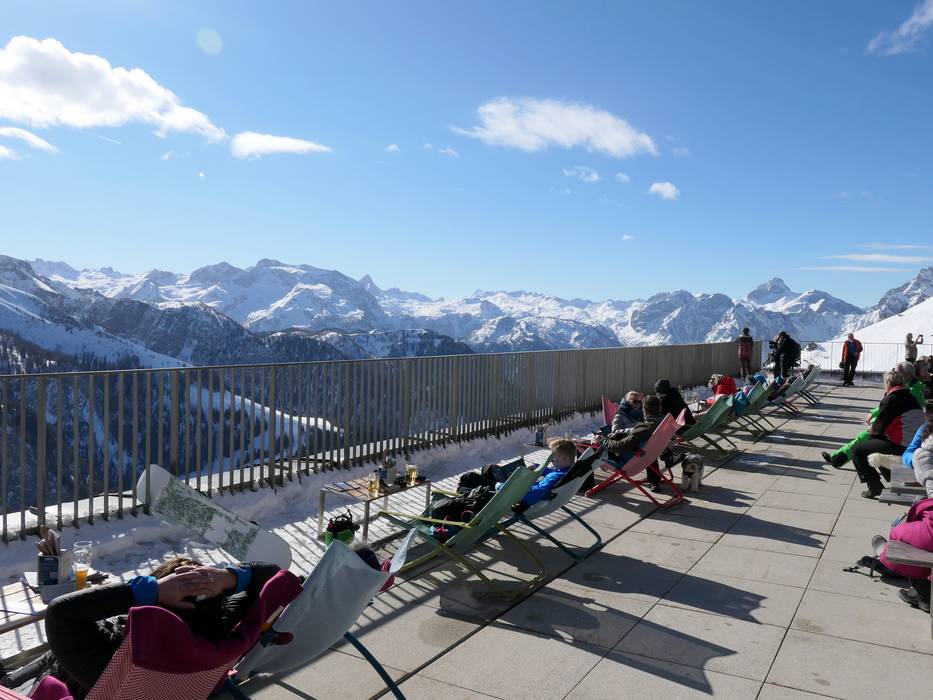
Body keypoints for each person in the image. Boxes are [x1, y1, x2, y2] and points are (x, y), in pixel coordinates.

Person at [41, 558, 280, 698]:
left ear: (152, 604)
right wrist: (227, 577)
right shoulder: (219, 636)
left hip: (63, 681)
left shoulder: (113, 657)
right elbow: (274, 575)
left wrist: (152, 589)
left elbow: (59, 613)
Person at [850, 371, 924, 499]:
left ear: (888, 383)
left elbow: (879, 428)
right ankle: (893, 477)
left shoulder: (892, 398)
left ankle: (875, 486)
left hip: (903, 445)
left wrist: (870, 432)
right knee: (876, 444)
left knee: (857, 450)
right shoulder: (910, 396)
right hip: (916, 444)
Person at [604, 394, 667, 492]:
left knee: (647, 447)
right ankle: (654, 480)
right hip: (634, 449)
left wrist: (602, 441)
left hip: (629, 454)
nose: (638, 404)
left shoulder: (644, 421)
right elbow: (617, 432)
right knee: (648, 448)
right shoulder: (620, 415)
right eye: (635, 401)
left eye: (639, 402)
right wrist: (627, 432)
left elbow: (625, 443)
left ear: (644, 409)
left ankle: (584, 482)